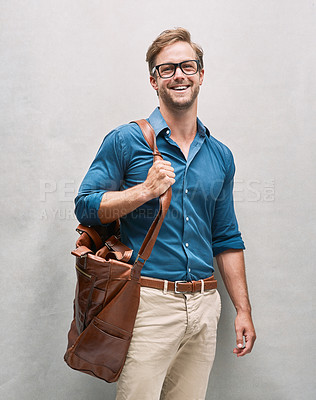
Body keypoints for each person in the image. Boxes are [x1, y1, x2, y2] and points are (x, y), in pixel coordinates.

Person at [75, 27, 256, 400]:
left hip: (206, 306)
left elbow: (226, 236)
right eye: (167, 68)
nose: (179, 75)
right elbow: (86, 204)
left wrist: (242, 309)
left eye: (187, 66)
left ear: (201, 75)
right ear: (153, 80)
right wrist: (144, 191)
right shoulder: (126, 141)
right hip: (149, 304)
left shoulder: (220, 155)